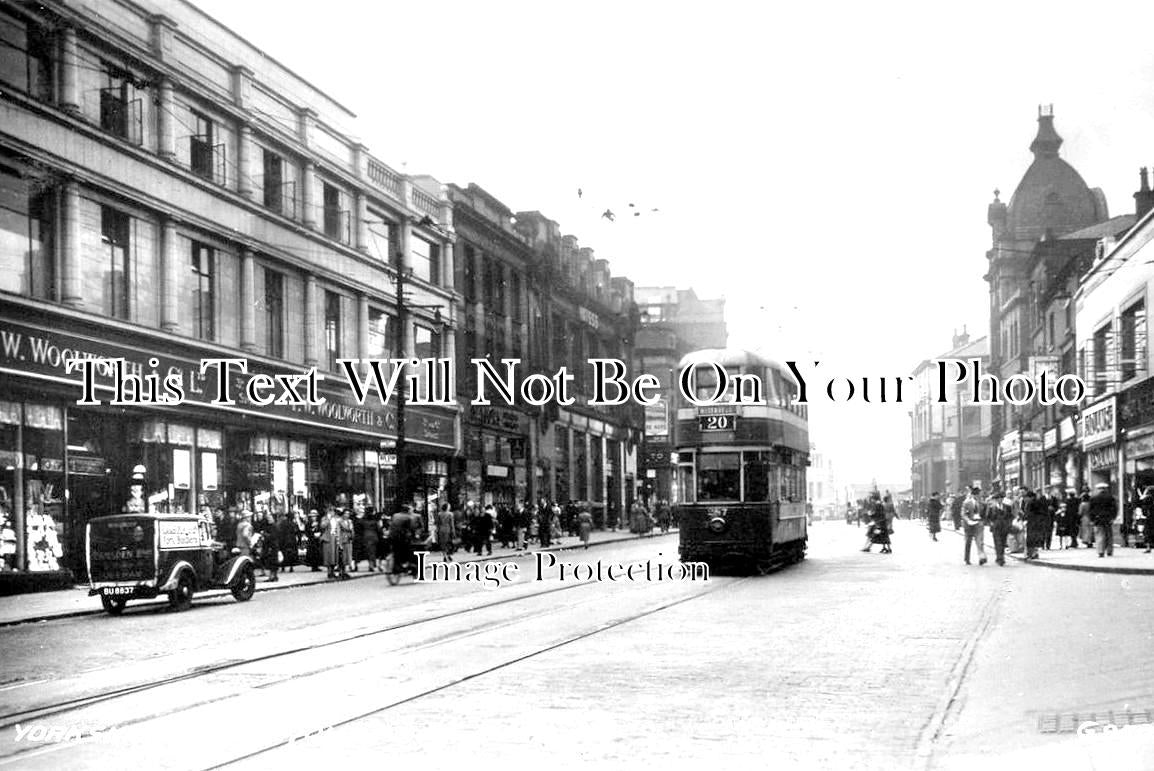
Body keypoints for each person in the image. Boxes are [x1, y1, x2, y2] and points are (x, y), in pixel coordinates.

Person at [320, 506, 351, 579]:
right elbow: (322, 526)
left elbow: (345, 527)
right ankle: (329, 572)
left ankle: (335, 571)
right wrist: (328, 518)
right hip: (328, 539)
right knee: (328, 556)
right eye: (330, 511)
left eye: (333, 511)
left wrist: (345, 522)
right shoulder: (325, 518)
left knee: (335, 556)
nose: (332, 512)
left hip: (336, 539)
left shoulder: (338, 519)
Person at [388, 505, 421, 573]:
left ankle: (396, 565)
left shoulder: (395, 515)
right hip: (402, 538)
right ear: (407, 511)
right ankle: (409, 563)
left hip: (392, 537)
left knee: (396, 551)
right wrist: (414, 535)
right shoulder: (408, 517)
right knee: (409, 550)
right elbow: (412, 528)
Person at [1090, 482, 1117, 558]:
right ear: (1106, 489)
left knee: (1099, 535)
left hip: (1097, 519)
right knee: (1109, 535)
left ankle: (1100, 551)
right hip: (1108, 519)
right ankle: (1109, 551)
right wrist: (1113, 517)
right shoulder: (1110, 497)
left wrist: (1092, 519)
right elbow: (1114, 508)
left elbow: (1091, 510)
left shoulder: (1093, 498)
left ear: (1098, 489)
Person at [987, 488, 1013, 565]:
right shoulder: (992, 508)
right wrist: (991, 523)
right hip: (996, 527)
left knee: (1003, 542)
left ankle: (1001, 556)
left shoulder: (1007, 507)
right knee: (998, 543)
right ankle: (1000, 558)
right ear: (996, 500)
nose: (1000, 500)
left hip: (1004, 527)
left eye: (1001, 498)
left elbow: (1010, 516)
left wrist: (1009, 524)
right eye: (998, 499)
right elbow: (988, 517)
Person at [961, 487, 987, 566]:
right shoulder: (966, 503)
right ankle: (967, 558)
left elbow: (985, 513)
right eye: (978, 495)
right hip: (969, 524)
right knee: (968, 542)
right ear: (974, 495)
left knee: (980, 541)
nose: (979, 496)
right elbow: (963, 513)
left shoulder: (982, 503)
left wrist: (983, 520)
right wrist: (968, 520)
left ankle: (981, 557)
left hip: (978, 523)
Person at [1023, 489, 1049, 560]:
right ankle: (1032, 553)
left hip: (1034, 523)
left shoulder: (1033, 503)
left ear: (1030, 497)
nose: (1025, 499)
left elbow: (1032, 513)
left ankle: (1033, 554)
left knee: (1032, 539)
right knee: (1033, 539)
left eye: (1026, 497)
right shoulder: (1031, 502)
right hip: (1033, 523)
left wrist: (1026, 517)